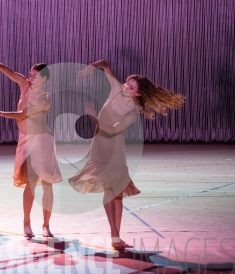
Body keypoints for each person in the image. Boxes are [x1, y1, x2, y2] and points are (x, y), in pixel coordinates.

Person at [69, 60, 185, 250]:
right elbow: (105, 65)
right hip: (100, 144)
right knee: (108, 189)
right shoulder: (116, 89)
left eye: (131, 87)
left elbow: (113, 130)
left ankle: (116, 235)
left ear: (137, 93)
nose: (126, 87)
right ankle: (114, 233)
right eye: (126, 83)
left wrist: (93, 117)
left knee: (117, 194)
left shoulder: (131, 113)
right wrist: (92, 66)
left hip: (114, 147)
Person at [0, 62, 62, 238]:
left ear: (45, 78)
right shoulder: (24, 85)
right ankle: (26, 222)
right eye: (30, 74)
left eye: (35, 76)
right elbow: (7, 70)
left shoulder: (45, 98)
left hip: (42, 140)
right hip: (26, 140)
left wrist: (0, 113)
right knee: (30, 184)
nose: (30, 78)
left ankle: (46, 225)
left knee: (46, 185)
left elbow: (24, 114)